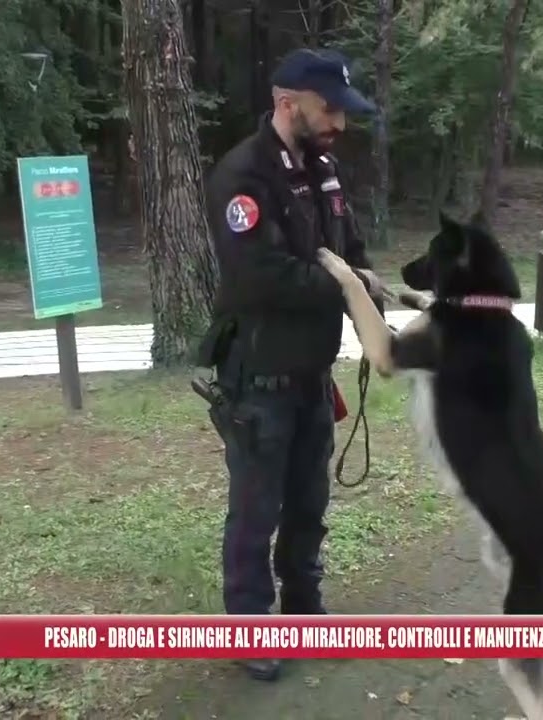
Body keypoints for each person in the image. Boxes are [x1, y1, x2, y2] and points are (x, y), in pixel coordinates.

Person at [194, 47, 384, 682]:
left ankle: (305, 613)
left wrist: (361, 275)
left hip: (310, 378)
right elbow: (261, 278)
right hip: (258, 382)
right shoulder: (242, 177)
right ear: (287, 102)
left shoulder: (323, 169)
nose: (340, 123)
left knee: (308, 504)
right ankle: (250, 627)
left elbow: (348, 246)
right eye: (328, 109)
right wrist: (349, 287)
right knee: (257, 511)